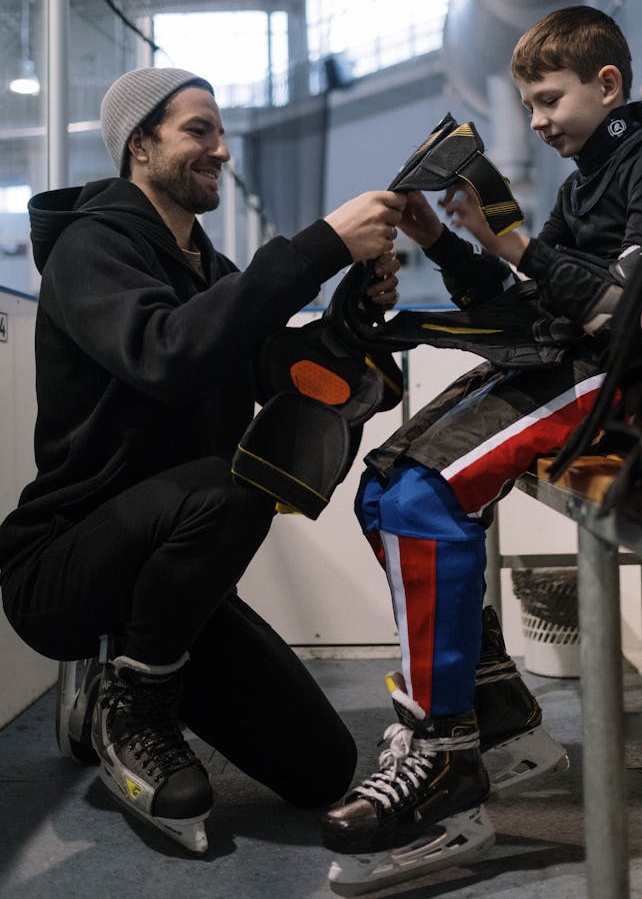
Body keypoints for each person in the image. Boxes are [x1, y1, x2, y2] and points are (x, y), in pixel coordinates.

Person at [321, 6, 642, 894]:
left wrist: (518, 242)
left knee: (422, 498)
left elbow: (630, 313)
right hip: (570, 367)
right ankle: (491, 703)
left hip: (627, 384)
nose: (534, 121)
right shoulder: (583, 184)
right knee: (382, 490)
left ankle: (443, 753)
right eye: (529, 103)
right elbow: (528, 300)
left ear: (607, 85)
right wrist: (440, 241)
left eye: (547, 99)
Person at [0, 66, 406, 854]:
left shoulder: (211, 275)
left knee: (322, 767)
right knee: (235, 485)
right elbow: (168, 355)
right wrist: (319, 244)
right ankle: (133, 702)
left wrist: (354, 310)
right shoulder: (90, 249)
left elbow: (276, 368)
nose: (221, 149)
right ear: (139, 143)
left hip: (167, 574)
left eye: (221, 134)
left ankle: (132, 669)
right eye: (197, 130)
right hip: (62, 566)